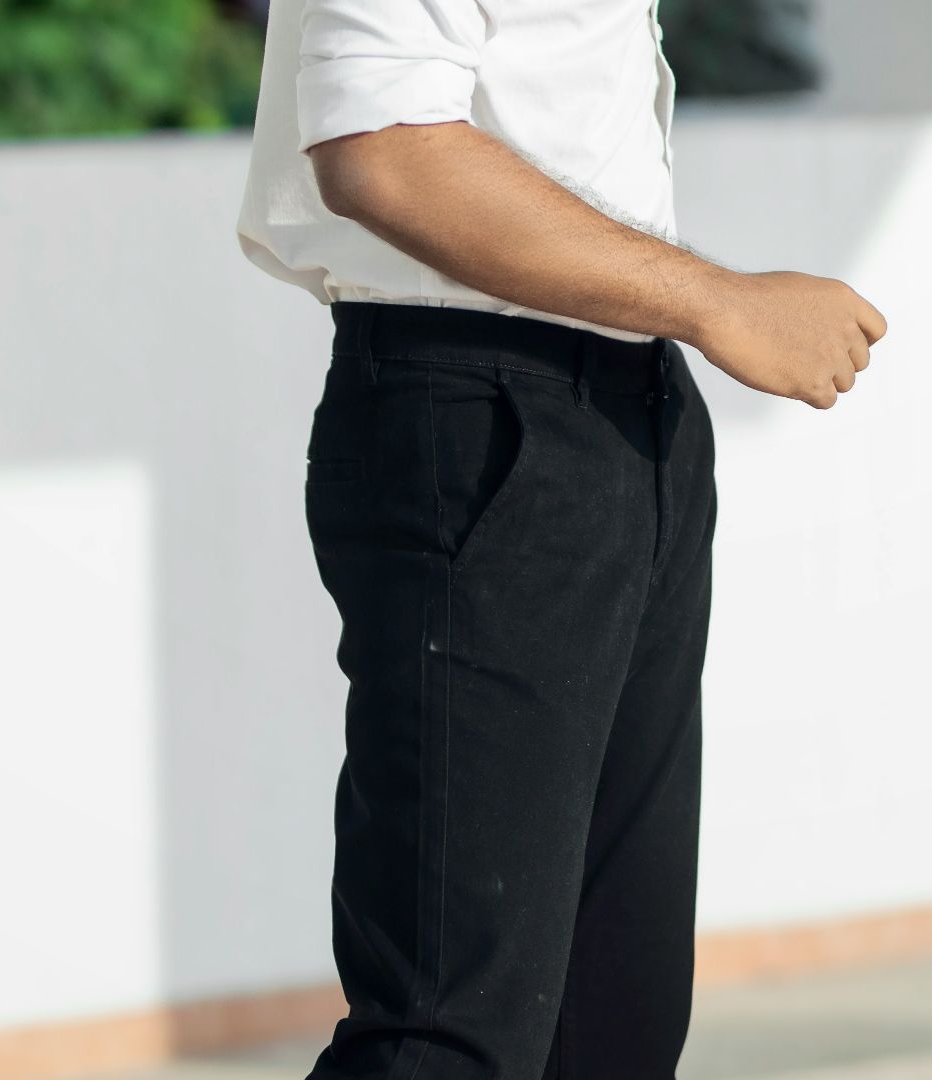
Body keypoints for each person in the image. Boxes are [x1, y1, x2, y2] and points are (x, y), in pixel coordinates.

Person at [235, 1, 886, 1076]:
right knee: (454, 1034)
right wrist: (719, 301)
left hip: (622, 409)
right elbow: (382, 147)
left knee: (612, 1024)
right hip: (486, 416)